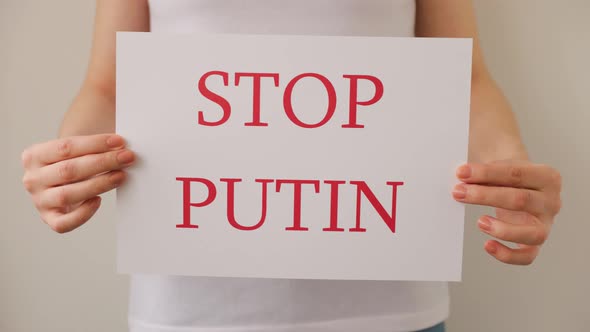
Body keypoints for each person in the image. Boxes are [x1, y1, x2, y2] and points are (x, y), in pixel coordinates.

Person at [20, 1, 563, 331]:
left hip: (387, 304)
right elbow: (110, 83)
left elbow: (461, 77)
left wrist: (508, 169)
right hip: (189, 305)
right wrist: (71, 163)